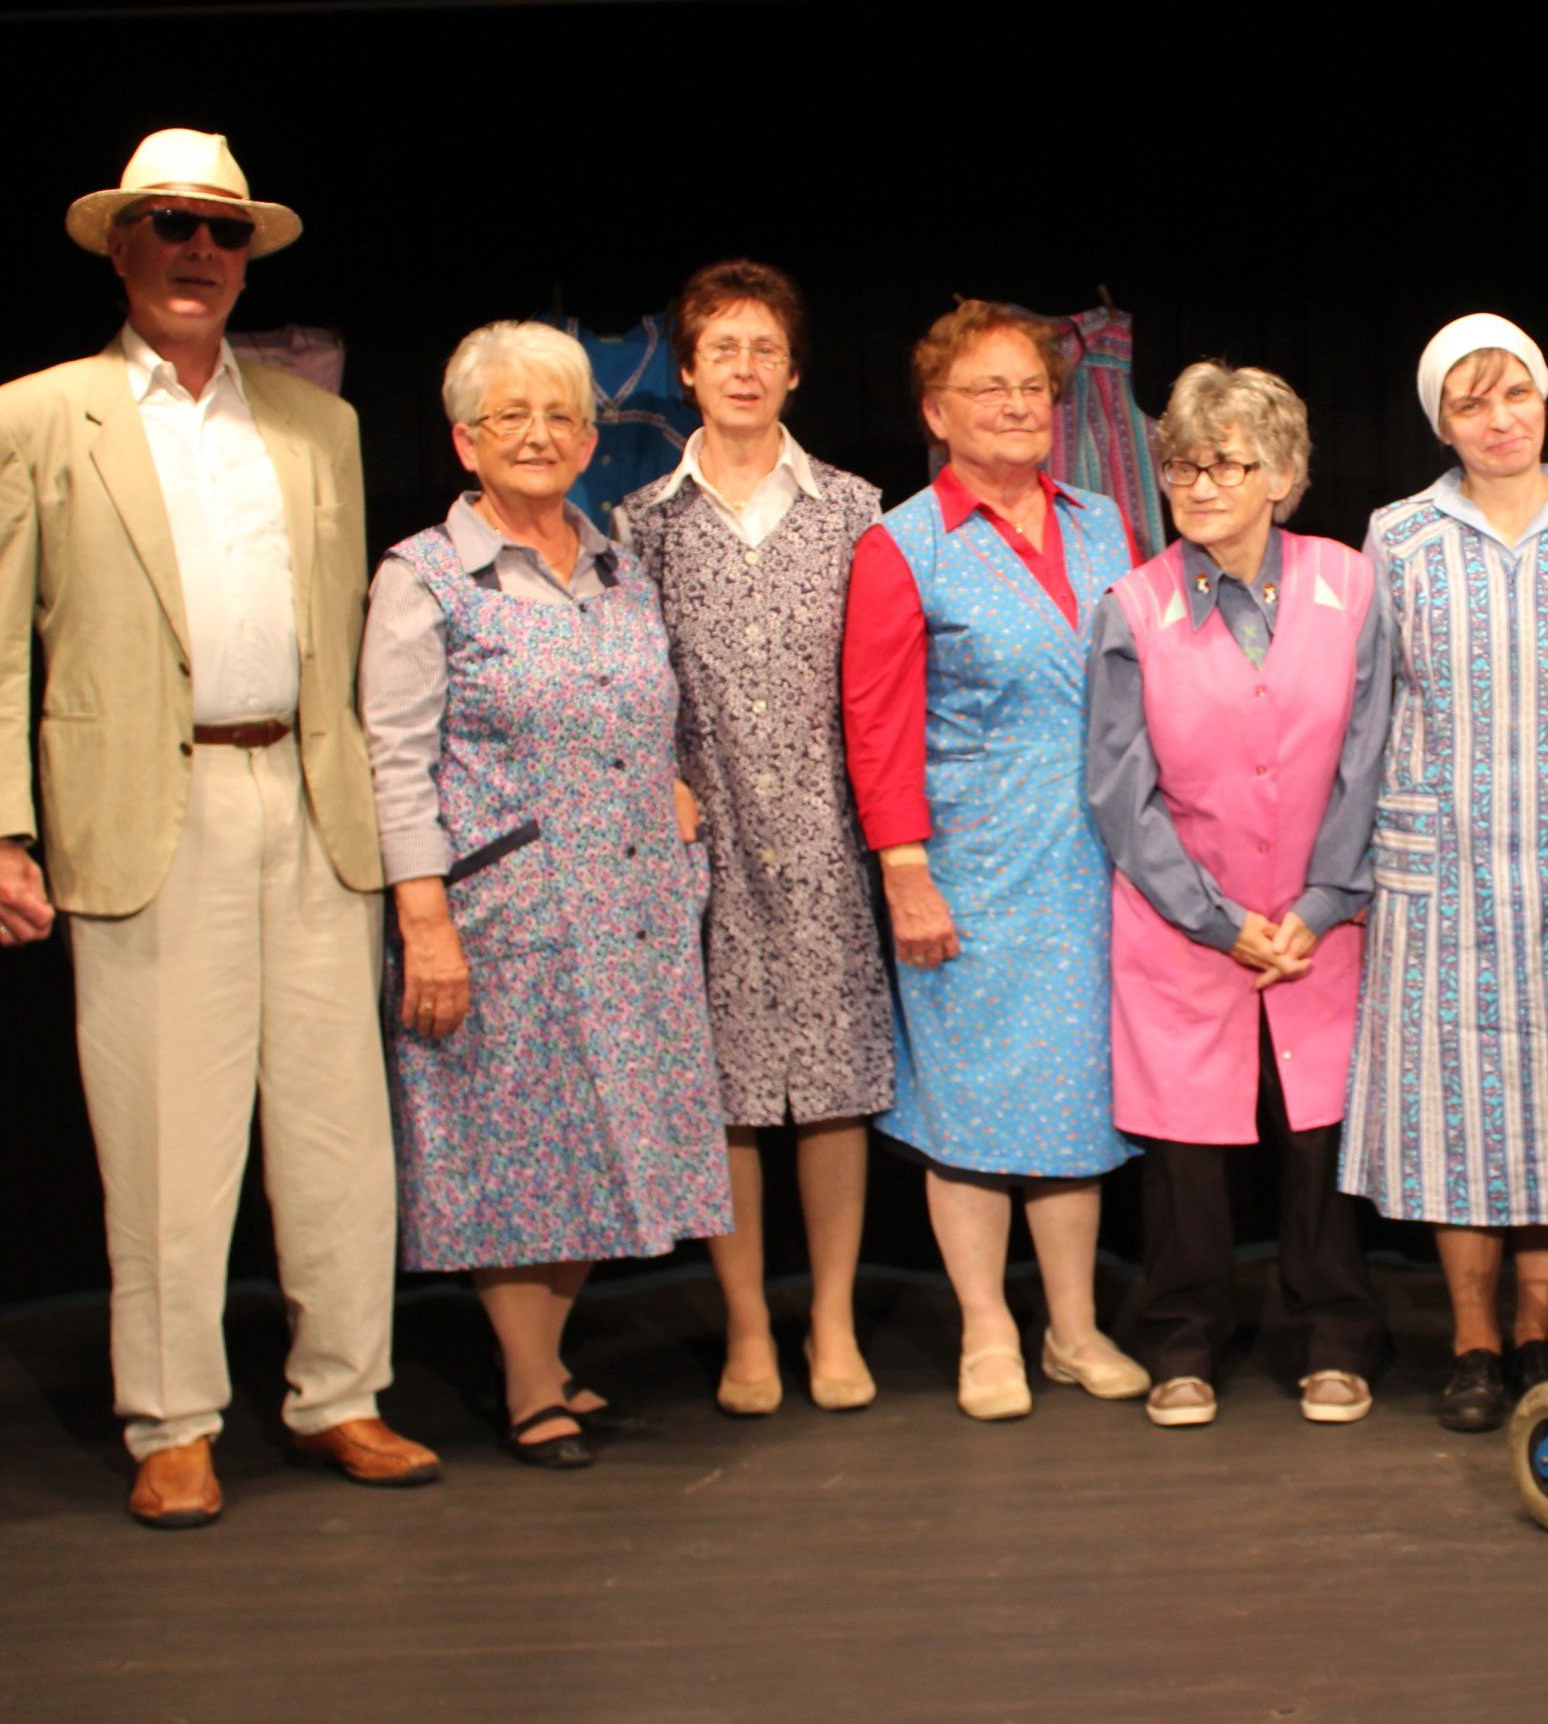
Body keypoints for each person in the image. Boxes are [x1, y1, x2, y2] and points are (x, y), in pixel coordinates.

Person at [0, 129, 438, 1529]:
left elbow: (344, 636)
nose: (199, 252)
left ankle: (342, 1391)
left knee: (339, 1128)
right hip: (147, 808)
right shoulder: (32, 418)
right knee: (167, 1134)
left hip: (311, 797)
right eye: (171, 225)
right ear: (122, 246)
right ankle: (172, 1418)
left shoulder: (316, 423)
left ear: (248, 259)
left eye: (223, 232)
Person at [361, 322, 733, 1468]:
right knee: (514, 1145)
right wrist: (424, 919)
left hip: (633, 909)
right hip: (507, 913)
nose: (537, 435)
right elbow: (392, 761)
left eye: (560, 416)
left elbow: (643, 706)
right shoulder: (423, 577)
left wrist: (671, 782)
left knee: (602, 1137)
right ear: (464, 440)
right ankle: (528, 1380)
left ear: (585, 441)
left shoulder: (618, 563)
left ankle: (548, 1358)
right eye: (510, 416)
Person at [840, 301, 1148, 1421]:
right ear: (936, 412)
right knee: (970, 1107)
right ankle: (985, 1330)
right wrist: (904, 869)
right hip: (968, 865)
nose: (1017, 407)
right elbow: (876, 722)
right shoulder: (903, 544)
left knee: (1076, 1103)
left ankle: (1072, 1327)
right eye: (989, 389)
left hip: (1095, 861)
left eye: (1032, 387)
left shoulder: (1103, 523)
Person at [1338, 315, 1548, 1433]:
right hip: (1440, 874)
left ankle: (1539, 1332)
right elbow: (1364, 705)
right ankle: (1470, 1341)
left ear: (1545, 399)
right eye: (1470, 402)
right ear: (1440, 423)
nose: (1498, 419)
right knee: (1450, 1108)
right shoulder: (1398, 537)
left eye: (1515, 392)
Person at [1084, 364, 1393, 1428]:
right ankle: (1180, 1342)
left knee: (1318, 1144)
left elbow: (1370, 757)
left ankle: (1337, 1337)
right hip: (1183, 925)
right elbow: (1119, 791)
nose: (1200, 484)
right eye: (1182, 464)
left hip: (1322, 923)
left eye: (1227, 463)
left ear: (1282, 474)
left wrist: (1321, 901)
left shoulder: (1350, 585)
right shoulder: (1132, 606)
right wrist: (1216, 918)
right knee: (1185, 1155)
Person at [623, 261, 898, 1419]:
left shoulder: (853, 509)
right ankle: (745, 1325)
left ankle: (830, 1320)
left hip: (829, 831)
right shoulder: (641, 524)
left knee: (832, 1085)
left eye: (764, 350)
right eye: (721, 349)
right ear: (687, 370)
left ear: (794, 372)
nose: (744, 369)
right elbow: (627, 682)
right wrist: (661, 781)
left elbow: (882, 680)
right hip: (707, 834)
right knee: (727, 1089)